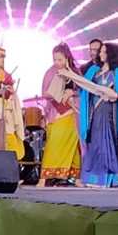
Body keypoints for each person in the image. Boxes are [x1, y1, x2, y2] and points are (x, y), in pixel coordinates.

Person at [66, 43, 118, 187]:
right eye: (100, 51)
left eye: (103, 52)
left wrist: (116, 95)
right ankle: (94, 178)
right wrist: (69, 75)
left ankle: (109, 178)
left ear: (111, 54)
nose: (100, 54)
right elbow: (84, 86)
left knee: (107, 144)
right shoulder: (94, 71)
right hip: (94, 113)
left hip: (110, 114)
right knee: (94, 143)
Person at [38, 43, 82, 187]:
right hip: (57, 114)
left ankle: (76, 178)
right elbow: (44, 93)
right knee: (53, 145)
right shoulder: (51, 72)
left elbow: (82, 90)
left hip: (72, 114)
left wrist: (72, 92)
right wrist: (59, 93)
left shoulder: (75, 72)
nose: (57, 62)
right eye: (55, 59)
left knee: (73, 148)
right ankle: (43, 178)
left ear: (67, 58)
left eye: (60, 60)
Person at [0, 47, 25, 160]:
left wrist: (12, 94)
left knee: (12, 147)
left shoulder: (7, 75)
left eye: (2, 57)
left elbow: (11, 96)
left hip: (7, 114)